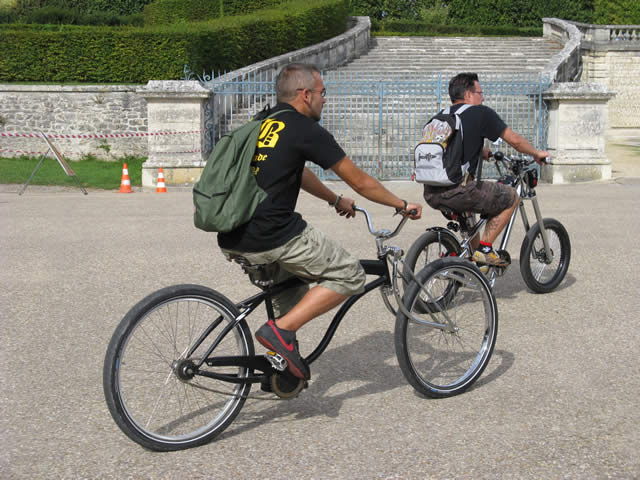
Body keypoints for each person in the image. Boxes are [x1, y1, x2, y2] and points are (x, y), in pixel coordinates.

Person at [218, 63, 422, 380]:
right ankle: (279, 332)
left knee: (292, 287)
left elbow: (296, 171)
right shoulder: (303, 128)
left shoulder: (264, 122)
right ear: (305, 94)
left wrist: (334, 199)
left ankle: (281, 370)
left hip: (235, 234)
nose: (325, 100)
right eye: (322, 93)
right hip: (273, 235)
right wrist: (401, 204)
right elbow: (360, 181)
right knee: (349, 274)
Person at [422, 72, 550, 267]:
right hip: (460, 191)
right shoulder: (480, 113)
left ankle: (475, 267)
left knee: (471, 217)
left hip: (431, 192)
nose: (483, 98)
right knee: (510, 197)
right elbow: (514, 141)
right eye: (480, 93)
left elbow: (449, 149)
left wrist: (480, 151)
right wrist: (536, 153)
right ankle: (486, 249)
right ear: (468, 95)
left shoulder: (440, 117)